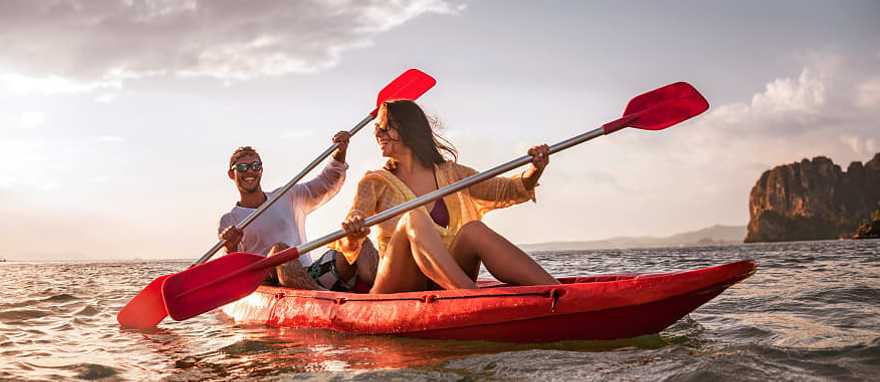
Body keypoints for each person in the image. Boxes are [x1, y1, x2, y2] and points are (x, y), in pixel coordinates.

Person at [334, 100, 560, 294]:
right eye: (376, 129)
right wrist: (355, 225)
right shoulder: (374, 181)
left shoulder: (452, 173)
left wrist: (535, 169)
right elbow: (356, 217)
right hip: (398, 285)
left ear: (408, 130)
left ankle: (560, 292)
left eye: (384, 127)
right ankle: (471, 297)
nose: (378, 134)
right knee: (414, 217)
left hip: (444, 281)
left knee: (474, 229)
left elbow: (506, 190)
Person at [218, 131, 378, 291]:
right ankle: (322, 297)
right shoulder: (230, 220)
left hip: (309, 275)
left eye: (255, 166)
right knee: (279, 250)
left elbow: (326, 182)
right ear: (232, 174)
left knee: (357, 239)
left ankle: (382, 293)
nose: (250, 171)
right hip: (271, 282)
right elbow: (235, 268)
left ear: (261, 170)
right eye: (242, 167)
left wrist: (340, 152)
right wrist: (230, 247)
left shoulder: (286, 195)